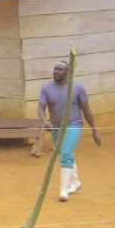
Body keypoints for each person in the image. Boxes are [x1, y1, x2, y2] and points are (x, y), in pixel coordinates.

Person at [38, 60, 101, 201]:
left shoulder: (77, 87)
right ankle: (75, 182)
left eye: (60, 69)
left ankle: (64, 190)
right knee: (65, 154)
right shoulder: (46, 88)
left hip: (74, 124)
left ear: (68, 72)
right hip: (56, 127)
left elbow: (87, 111)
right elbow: (40, 108)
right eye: (55, 69)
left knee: (66, 153)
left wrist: (95, 131)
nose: (56, 71)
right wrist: (44, 122)